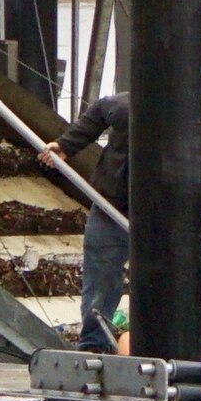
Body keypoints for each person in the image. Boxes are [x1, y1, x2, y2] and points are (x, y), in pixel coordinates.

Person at [66, 91, 131, 349]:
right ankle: (94, 345)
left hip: (162, 212)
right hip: (111, 204)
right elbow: (99, 112)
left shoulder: (185, 115)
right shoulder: (125, 106)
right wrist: (65, 146)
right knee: (100, 282)